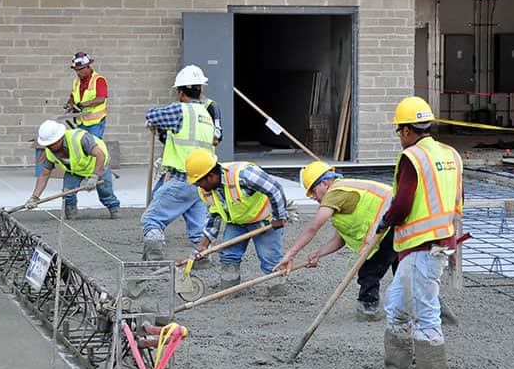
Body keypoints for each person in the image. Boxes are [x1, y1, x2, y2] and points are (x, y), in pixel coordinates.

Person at [376, 96, 462, 369]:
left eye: (400, 131)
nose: (400, 137)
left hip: (423, 245)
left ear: (407, 130)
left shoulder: (413, 157)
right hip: (440, 240)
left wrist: (386, 221)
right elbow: (458, 199)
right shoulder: (450, 154)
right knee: (396, 304)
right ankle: (396, 367)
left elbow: (402, 205)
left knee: (426, 312)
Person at [276, 161, 396, 320]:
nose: (312, 197)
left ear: (325, 184)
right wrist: (319, 253)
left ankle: (368, 309)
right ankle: (430, 305)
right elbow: (340, 239)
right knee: (408, 270)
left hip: (391, 226)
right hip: (395, 225)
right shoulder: (344, 193)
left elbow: (313, 226)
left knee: (369, 272)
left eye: (312, 190)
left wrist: (290, 254)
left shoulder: (336, 193)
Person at [186, 149, 290, 296]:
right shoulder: (207, 190)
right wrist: (204, 244)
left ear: (210, 176)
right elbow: (214, 215)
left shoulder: (244, 174)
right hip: (237, 223)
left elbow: (275, 189)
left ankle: (277, 292)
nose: (198, 186)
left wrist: (279, 217)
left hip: (264, 221)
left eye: (198, 182)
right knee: (229, 256)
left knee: (270, 260)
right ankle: (229, 289)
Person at [141, 69, 216, 260]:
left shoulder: (180, 110)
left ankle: (154, 259)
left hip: (182, 178)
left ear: (181, 93)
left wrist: (154, 124)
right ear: (200, 90)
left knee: (151, 219)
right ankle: (203, 258)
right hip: (201, 183)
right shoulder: (206, 115)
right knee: (198, 229)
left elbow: (152, 115)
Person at [27, 120, 120, 220]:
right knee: (68, 193)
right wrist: (34, 197)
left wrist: (95, 176)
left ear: (60, 138)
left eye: (51, 144)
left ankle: (114, 209)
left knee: (105, 191)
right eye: (47, 145)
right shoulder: (50, 151)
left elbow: (100, 155)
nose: (49, 147)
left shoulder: (80, 138)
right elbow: (44, 175)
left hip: (98, 164)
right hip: (76, 170)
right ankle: (71, 214)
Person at [157, 65, 223, 146]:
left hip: (194, 157)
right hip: (199, 157)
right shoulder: (180, 109)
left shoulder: (210, 106)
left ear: (181, 92)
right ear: (202, 88)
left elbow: (217, 137)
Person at [65, 52, 108, 139]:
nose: (78, 72)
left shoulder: (99, 80)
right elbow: (72, 97)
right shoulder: (76, 81)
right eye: (76, 70)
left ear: (88, 66)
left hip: (95, 123)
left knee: (93, 147)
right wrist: (69, 104)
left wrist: (81, 105)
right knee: (82, 148)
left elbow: (101, 99)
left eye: (80, 69)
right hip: (81, 122)